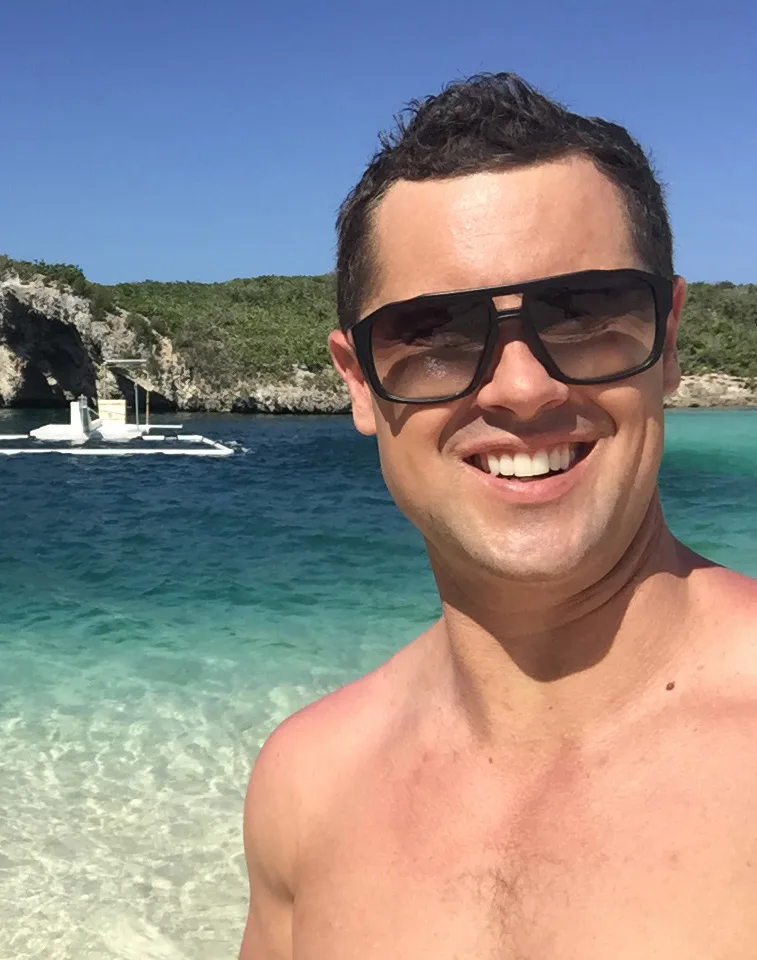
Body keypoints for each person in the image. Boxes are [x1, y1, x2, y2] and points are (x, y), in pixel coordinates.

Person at [240, 73, 757, 959]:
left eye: (584, 314)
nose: (521, 388)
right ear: (358, 382)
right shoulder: (307, 789)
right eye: (434, 334)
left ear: (667, 340)